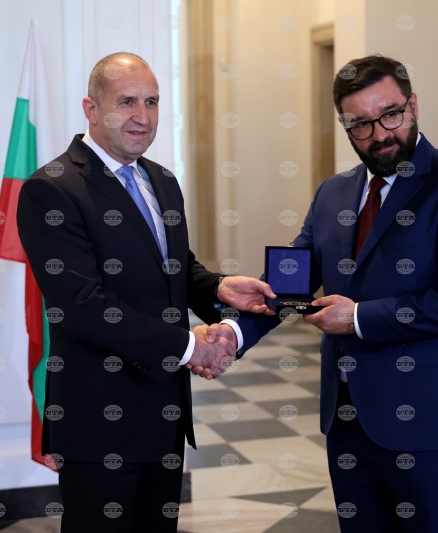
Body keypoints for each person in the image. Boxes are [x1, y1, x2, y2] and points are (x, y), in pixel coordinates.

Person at [202, 55, 438, 531]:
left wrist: (358, 318)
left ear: (413, 106)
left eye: (390, 114)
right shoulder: (333, 193)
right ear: (345, 126)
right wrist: (231, 335)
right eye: (360, 123)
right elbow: (292, 283)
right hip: (348, 418)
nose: (379, 133)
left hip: (432, 418)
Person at [16, 52, 275, 532]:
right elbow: (82, 305)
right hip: (99, 423)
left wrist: (219, 287)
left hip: (164, 414)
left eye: (152, 102)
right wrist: (191, 346)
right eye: (127, 102)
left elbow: (175, 270)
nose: (142, 116)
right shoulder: (51, 189)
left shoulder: (162, 180)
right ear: (92, 109)